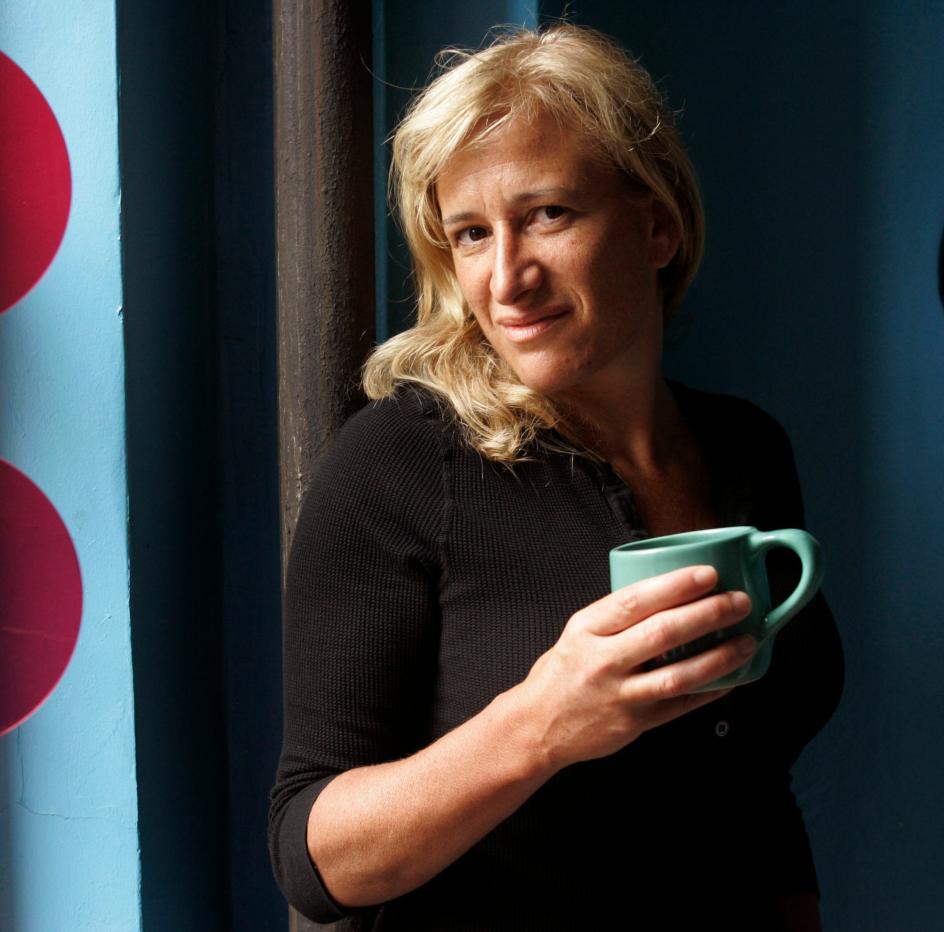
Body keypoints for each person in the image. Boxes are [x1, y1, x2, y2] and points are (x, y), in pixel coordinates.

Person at [269, 23, 844, 931]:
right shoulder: (398, 464)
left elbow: (750, 774)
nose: (506, 279)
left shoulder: (744, 448)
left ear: (658, 223)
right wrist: (540, 723)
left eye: (548, 214)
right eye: (470, 233)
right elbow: (313, 857)